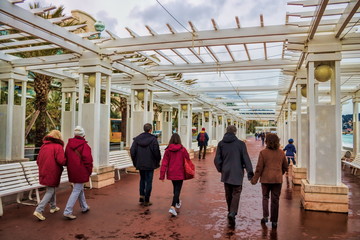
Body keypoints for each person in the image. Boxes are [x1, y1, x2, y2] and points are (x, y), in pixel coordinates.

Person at [214, 125, 254, 227]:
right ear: (235, 132)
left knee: (228, 193)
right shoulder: (240, 144)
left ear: (226, 131)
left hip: (226, 172)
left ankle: (230, 211)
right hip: (237, 173)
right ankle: (232, 212)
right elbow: (246, 158)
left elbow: (217, 160)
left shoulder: (221, 144)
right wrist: (250, 172)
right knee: (236, 192)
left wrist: (221, 169)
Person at [251, 133, 288, 229]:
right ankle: (274, 221)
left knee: (265, 197)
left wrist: (254, 179)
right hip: (277, 180)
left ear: (266, 141)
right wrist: (280, 173)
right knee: (275, 200)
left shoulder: (263, 153)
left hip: (265, 179)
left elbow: (259, 168)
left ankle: (265, 216)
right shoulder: (281, 153)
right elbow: (285, 167)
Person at [33, 130, 66, 221]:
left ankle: (53, 206)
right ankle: (39, 210)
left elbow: (38, 160)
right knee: (50, 190)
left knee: (51, 188)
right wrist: (69, 162)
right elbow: (61, 161)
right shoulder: (58, 147)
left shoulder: (44, 146)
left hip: (44, 171)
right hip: (53, 171)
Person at [63, 126, 93, 220]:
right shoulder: (85, 146)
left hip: (72, 170)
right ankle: (67, 211)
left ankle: (84, 206)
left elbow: (65, 157)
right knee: (76, 190)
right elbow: (88, 160)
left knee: (79, 188)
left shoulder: (69, 144)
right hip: (82, 170)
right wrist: (89, 171)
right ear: (83, 135)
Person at [130, 123, 161, 206]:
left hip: (140, 163)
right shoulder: (153, 139)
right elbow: (156, 152)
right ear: (151, 130)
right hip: (150, 163)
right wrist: (157, 161)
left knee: (142, 179)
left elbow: (132, 151)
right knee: (149, 181)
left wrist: (135, 161)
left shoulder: (137, 139)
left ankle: (141, 196)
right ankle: (147, 200)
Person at [159, 133, 190, 216]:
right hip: (180, 172)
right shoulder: (182, 149)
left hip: (171, 172)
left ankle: (177, 202)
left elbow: (164, 163)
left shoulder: (168, 150)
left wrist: (162, 175)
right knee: (177, 189)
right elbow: (187, 158)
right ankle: (172, 207)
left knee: (175, 188)